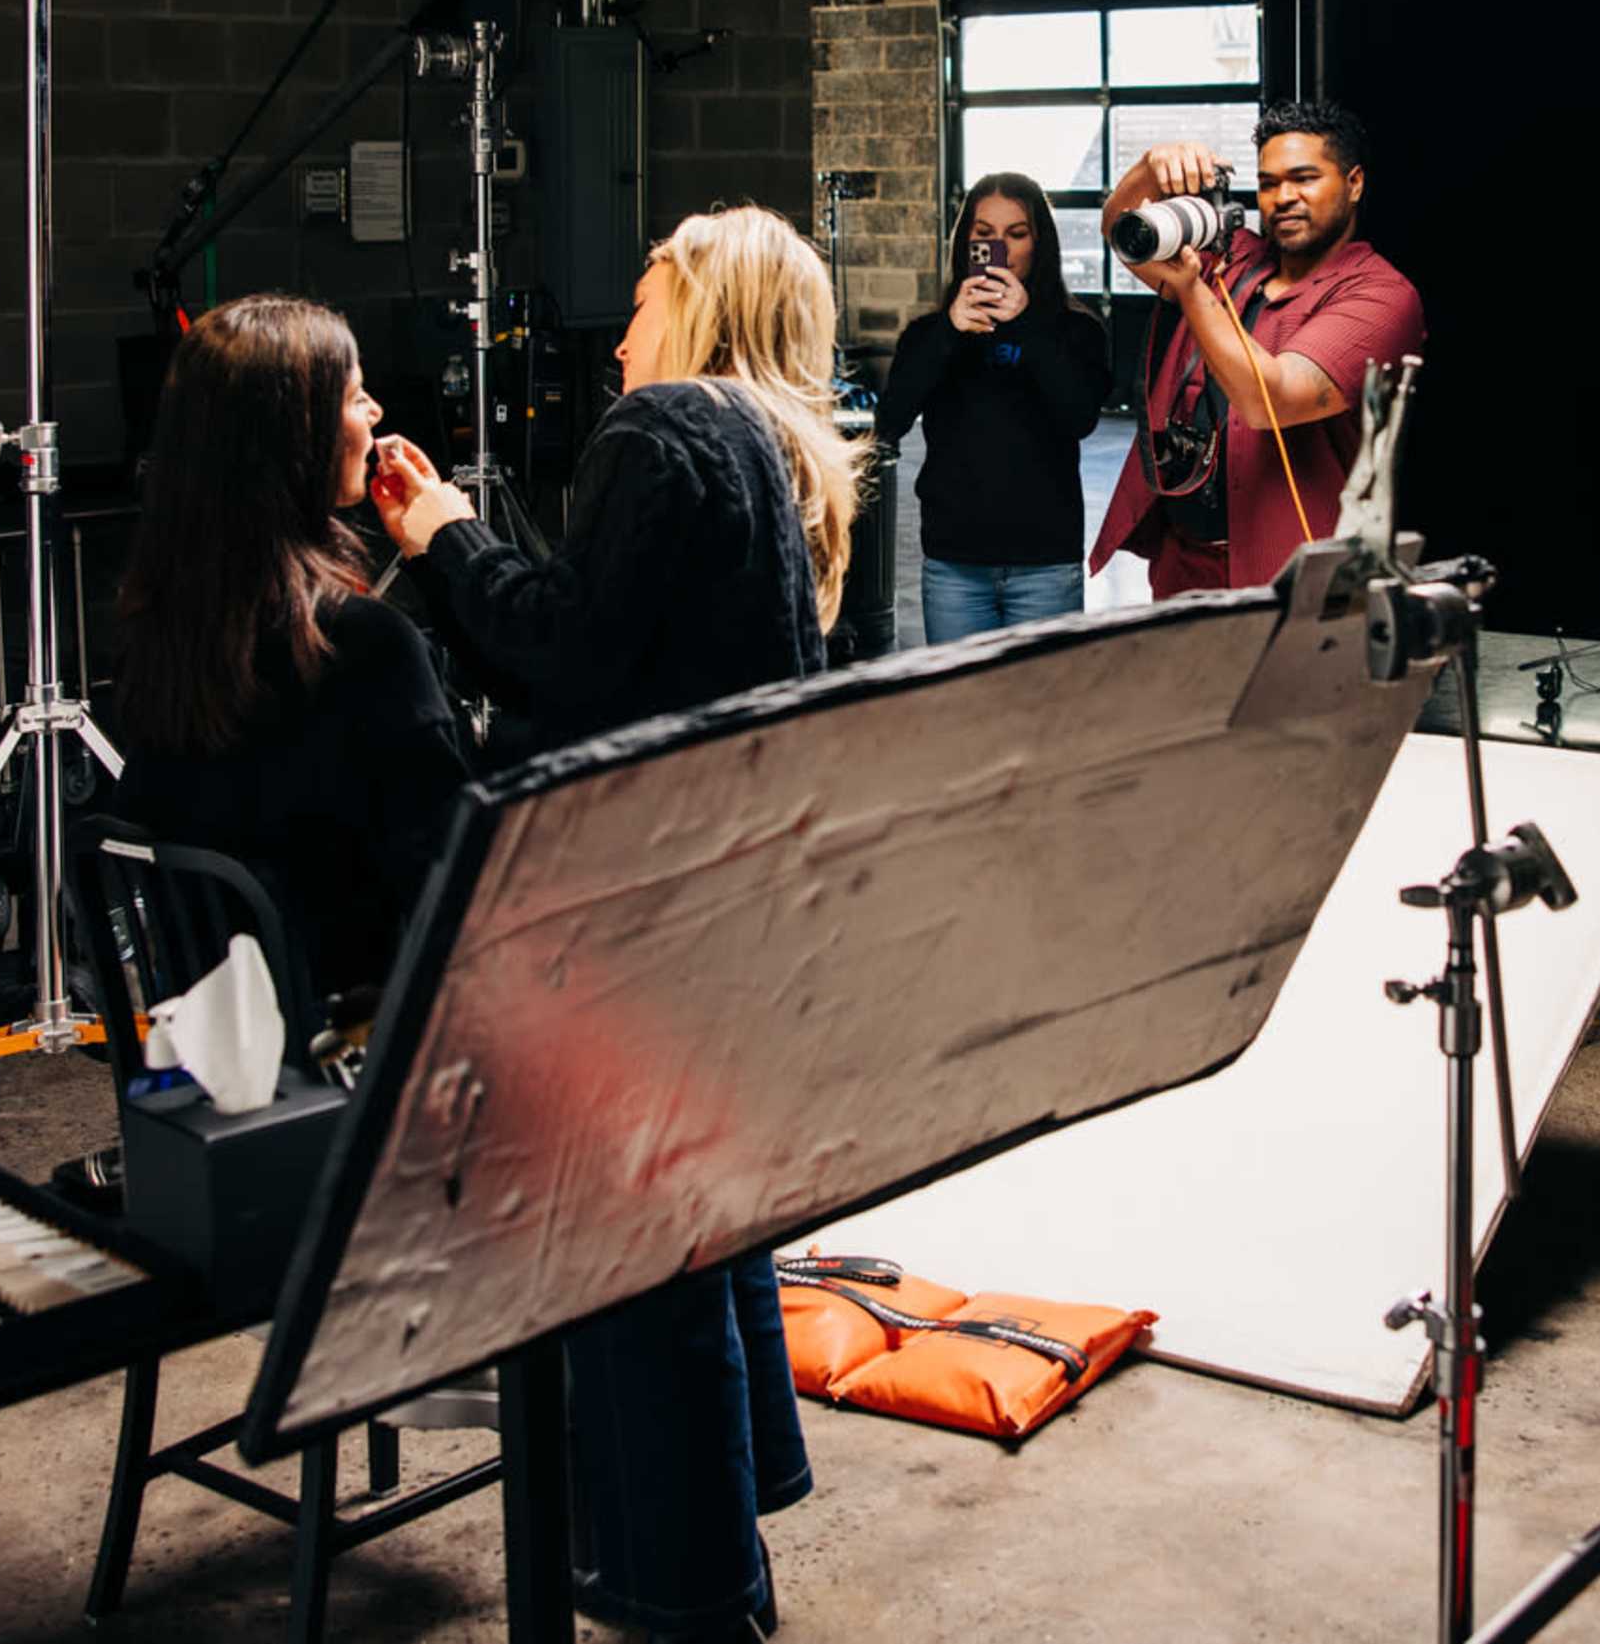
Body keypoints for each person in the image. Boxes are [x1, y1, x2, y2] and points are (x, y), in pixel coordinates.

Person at [377, 205, 861, 1644]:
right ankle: (743, 1490)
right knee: (704, 1213)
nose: (626, 323)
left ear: (693, 305)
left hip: (646, 889)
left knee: (635, 1255)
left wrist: (446, 541)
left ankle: (683, 1584)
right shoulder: (761, 446)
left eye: (646, 289)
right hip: (732, 890)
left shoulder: (658, 433)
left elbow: (575, 655)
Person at [109, 295, 474, 999]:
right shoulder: (364, 646)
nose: (374, 416)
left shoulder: (160, 628)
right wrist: (448, 551)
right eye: (357, 395)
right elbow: (456, 878)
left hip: (222, 1032)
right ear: (295, 433)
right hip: (358, 1038)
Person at [1089, 99, 1427, 598]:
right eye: (1269, 184)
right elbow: (1123, 230)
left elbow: (1273, 399)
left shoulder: (1381, 295)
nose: (1283, 197)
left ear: (1354, 184)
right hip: (1184, 565)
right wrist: (1148, 169)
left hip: (1293, 575)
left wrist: (1193, 290)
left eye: (1304, 178)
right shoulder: (1238, 255)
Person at [877, 170, 1110, 643]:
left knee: (1045, 710)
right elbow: (891, 421)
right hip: (954, 564)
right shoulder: (928, 334)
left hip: (1044, 563)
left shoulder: (1076, 331)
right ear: (966, 244)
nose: (998, 247)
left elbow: (1079, 416)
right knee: (963, 709)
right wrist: (948, 331)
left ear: (1038, 243)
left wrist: (1025, 325)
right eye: (985, 235)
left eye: (1015, 234)